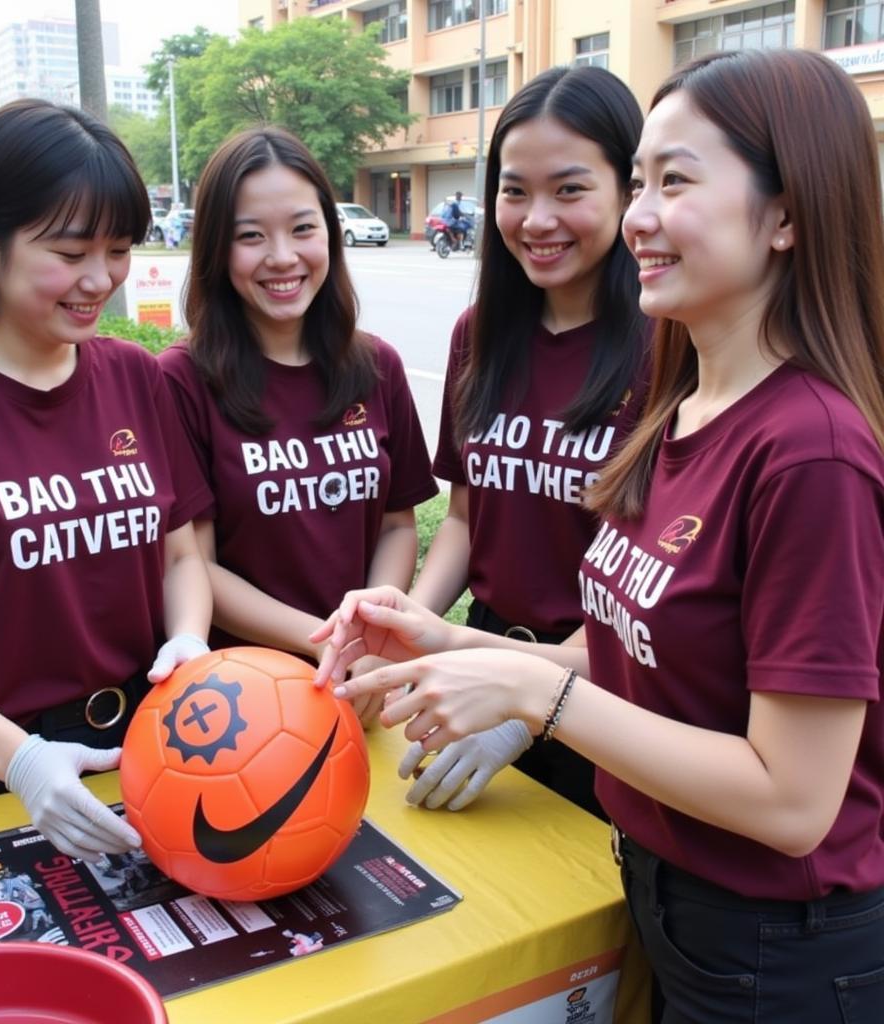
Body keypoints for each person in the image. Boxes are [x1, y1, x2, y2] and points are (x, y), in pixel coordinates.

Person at [314, 48, 884, 1023]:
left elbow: (794, 804)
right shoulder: (688, 408)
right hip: (665, 885)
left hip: (777, 945)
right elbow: (647, 657)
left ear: (786, 214)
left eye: (675, 181)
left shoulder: (810, 451)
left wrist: (537, 691)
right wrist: (443, 637)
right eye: (641, 182)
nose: (639, 216)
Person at [0, 99, 214, 863]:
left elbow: (180, 555)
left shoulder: (134, 376)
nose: (101, 280)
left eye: (118, 249)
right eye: (70, 251)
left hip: (147, 752)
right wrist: (16, 758)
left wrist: (189, 639)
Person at [407, 66, 648, 814]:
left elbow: (658, 588)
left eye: (570, 189)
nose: (537, 219)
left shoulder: (670, 348)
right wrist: (412, 623)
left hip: (611, 689)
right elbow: (464, 518)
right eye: (515, 191)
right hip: (482, 660)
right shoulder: (477, 336)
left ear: (628, 191)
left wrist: (527, 705)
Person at [158, 127, 437, 727]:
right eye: (251, 236)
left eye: (303, 229)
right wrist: (327, 644)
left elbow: (396, 524)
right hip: (243, 703)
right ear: (215, 250)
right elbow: (194, 563)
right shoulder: (180, 380)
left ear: (330, 236)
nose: (282, 257)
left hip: (361, 688)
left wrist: (369, 632)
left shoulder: (377, 365)